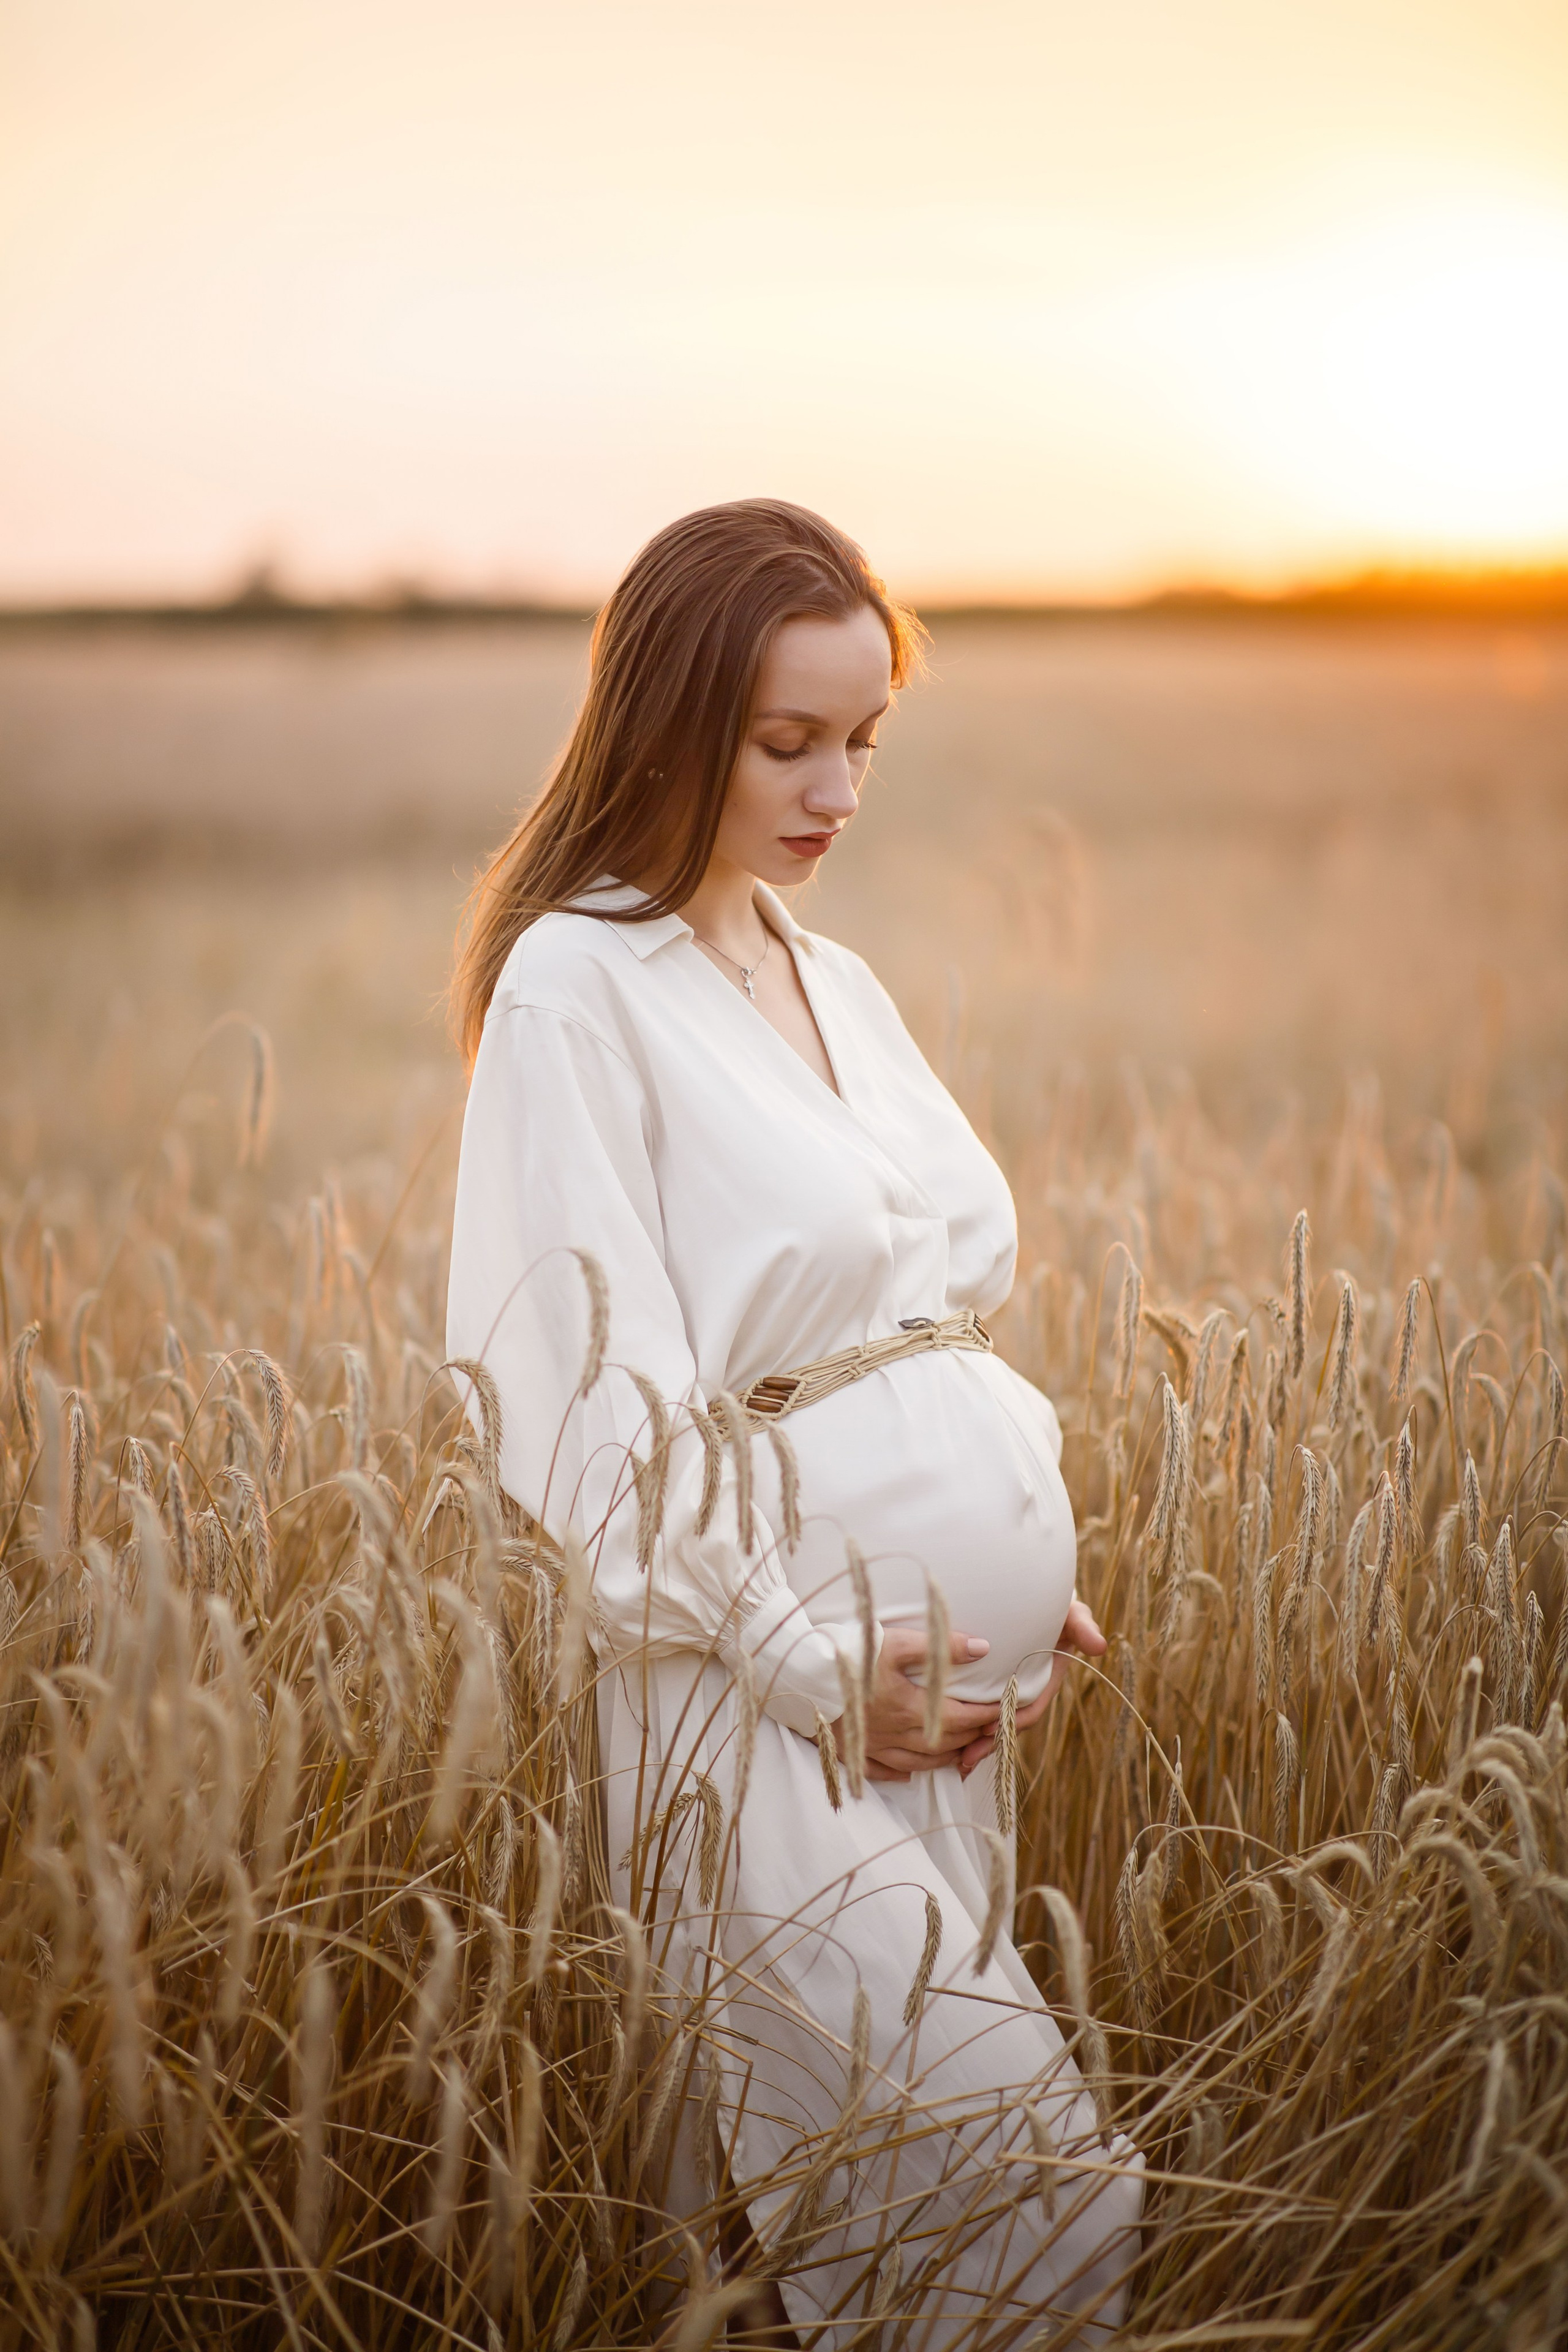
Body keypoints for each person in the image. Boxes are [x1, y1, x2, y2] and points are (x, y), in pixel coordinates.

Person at [446, 499, 1144, 2345]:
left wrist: (1017, 1536)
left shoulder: (828, 975)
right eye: (790, 744)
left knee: (854, 2248)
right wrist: (806, 1657)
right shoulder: (577, 986)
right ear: (668, 724)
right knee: (1023, 2216)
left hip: (943, 1712)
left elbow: (918, 1310)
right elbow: (582, 1386)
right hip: (764, 1701)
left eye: (864, 743)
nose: (839, 789)